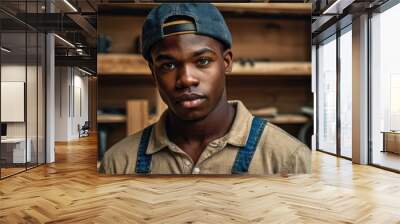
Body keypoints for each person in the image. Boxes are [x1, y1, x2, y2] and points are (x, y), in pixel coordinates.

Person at [99, 3, 311, 175]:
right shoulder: (119, 163)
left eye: (202, 61)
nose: (186, 79)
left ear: (226, 62)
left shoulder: (288, 159)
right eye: (168, 65)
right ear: (153, 73)